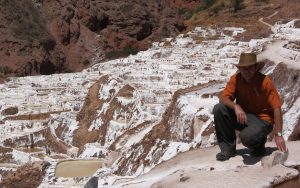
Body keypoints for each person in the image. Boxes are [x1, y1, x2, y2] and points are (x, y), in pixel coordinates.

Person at [213, 52, 287, 161]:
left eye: (250, 68)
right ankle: (228, 149)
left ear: (255, 68)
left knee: (246, 137)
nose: (247, 71)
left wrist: (278, 135)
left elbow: (277, 107)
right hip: (245, 116)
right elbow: (223, 98)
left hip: (263, 120)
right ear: (240, 69)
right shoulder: (236, 79)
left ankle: (259, 145)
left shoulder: (265, 82)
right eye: (244, 68)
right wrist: (236, 106)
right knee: (219, 109)